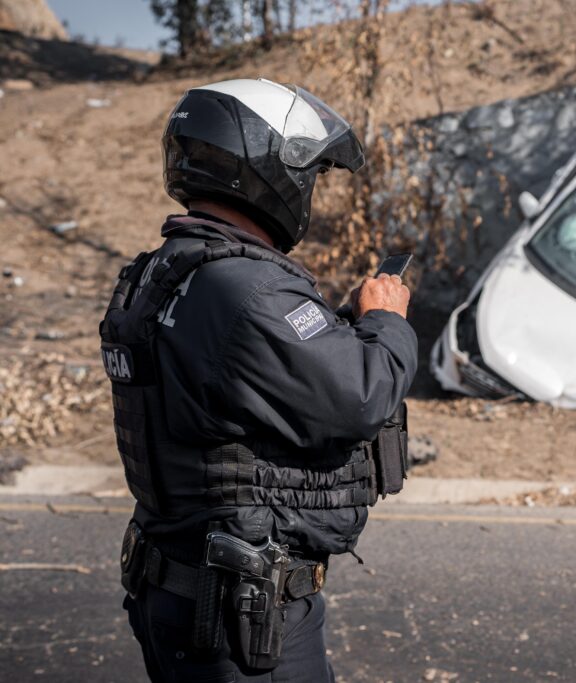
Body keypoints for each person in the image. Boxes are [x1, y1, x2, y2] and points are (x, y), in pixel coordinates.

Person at [98, 78, 417, 682]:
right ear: (270, 168)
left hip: (178, 587)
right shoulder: (249, 287)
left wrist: (341, 324)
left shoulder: (164, 273)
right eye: (311, 174)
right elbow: (362, 392)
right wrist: (384, 319)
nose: (310, 191)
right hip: (243, 617)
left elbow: (246, 387)